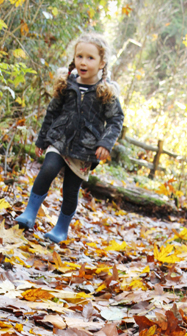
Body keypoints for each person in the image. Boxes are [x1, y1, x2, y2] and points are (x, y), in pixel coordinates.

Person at [16, 32, 124, 243]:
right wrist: (42, 139)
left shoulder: (105, 92)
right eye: (79, 56)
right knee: (47, 170)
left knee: (70, 190)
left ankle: (61, 228)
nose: (83, 62)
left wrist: (105, 143)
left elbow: (115, 120)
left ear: (102, 63)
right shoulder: (67, 84)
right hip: (59, 139)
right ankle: (29, 213)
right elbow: (52, 112)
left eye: (90, 58)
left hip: (85, 148)